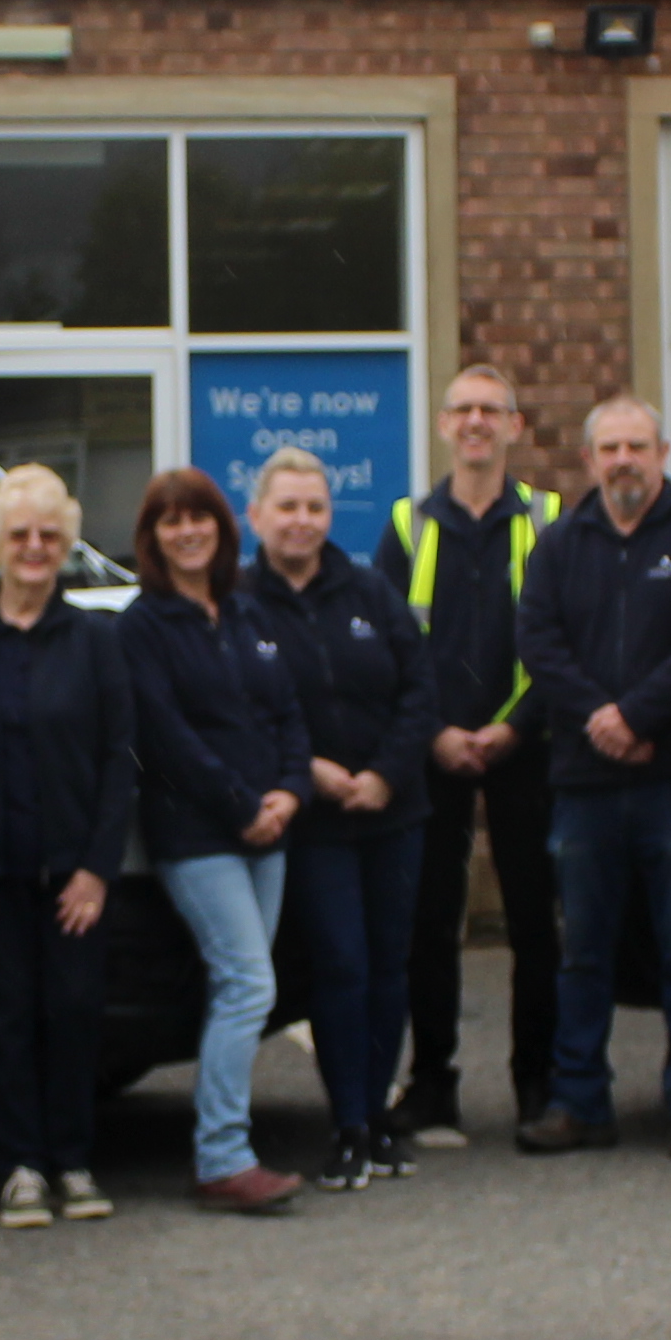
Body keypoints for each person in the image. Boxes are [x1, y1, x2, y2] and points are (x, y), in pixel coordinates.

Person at [512, 396, 671, 1158]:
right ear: (589, 460)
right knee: (585, 950)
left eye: (637, 446)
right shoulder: (559, 544)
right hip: (584, 779)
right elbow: (538, 642)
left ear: (664, 452)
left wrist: (639, 717)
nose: (624, 461)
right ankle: (579, 1101)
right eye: (610, 448)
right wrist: (603, 719)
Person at [0, 465, 134, 1229]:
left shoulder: (98, 643)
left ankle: (72, 1162)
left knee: (73, 1014)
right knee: (2, 1017)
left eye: (49, 536)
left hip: (73, 875)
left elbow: (118, 761)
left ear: (67, 545)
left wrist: (99, 871)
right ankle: (19, 1168)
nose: (34, 548)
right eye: (20, 535)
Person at [239, 445, 439, 1190]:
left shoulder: (370, 591)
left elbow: (420, 687)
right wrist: (313, 772)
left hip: (392, 811)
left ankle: (379, 1116)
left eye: (315, 507)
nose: (302, 521)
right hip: (314, 820)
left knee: (390, 968)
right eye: (287, 507)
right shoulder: (240, 601)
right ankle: (348, 1122)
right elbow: (241, 709)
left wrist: (386, 773)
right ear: (256, 516)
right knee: (342, 966)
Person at [374, 365, 562, 1149]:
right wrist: (437, 733)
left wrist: (514, 726)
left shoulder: (551, 520)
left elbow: (563, 640)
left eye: (493, 410)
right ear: (445, 425)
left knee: (535, 925)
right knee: (429, 922)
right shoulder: (407, 525)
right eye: (465, 410)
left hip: (527, 746)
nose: (478, 422)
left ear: (515, 427)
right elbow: (390, 647)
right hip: (432, 748)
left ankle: (538, 1087)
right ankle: (433, 1086)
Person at [118, 465, 308, 1215]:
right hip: (199, 836)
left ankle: (219, 1145)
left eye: (199, 517)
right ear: (153, 536)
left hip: (269, 829)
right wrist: (241, 807)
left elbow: (288, 713)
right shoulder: (142, 625)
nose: (187, 531)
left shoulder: (247, 611)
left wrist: (291, 790)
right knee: (249, 983)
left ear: (222, 528)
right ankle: (224, 1156)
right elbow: (165, 738)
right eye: (170, 521)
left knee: (240, 990)